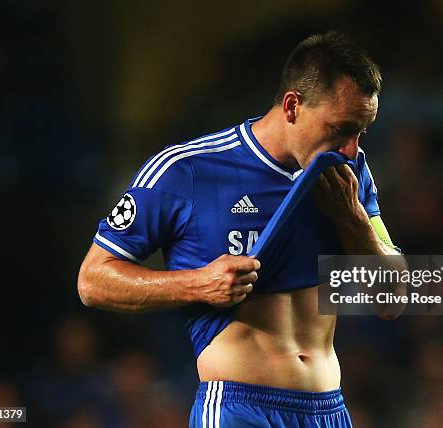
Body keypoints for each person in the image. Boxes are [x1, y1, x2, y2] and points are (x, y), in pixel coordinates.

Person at [78, 31, 405, 428]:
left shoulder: (348, 175)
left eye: (361, 132)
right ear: (291, 107)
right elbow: (92, 281)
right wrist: (198, 284)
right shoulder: (186, 171)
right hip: (239, 407)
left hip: (329, 411)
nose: (352, 149)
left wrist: (351, 218)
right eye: (340, 129)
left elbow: (394, 299)